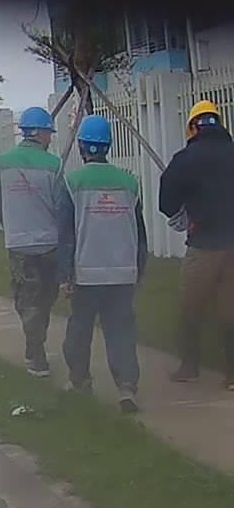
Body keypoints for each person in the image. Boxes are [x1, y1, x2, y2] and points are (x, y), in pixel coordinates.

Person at [56, 115, 147, 414]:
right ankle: (127, 387)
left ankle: (80, 381)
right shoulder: (130, 183)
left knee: (79, 331)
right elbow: (140, 233)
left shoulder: (72, 183)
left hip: (86, 274)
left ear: (81, 146)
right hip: (123, 272)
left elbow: (66, 235)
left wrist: (65, 275)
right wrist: (139, 269)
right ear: (108, 146)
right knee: (121, 331)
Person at [158, 100, 234, 388]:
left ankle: (189, 367)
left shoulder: (186, 158)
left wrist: (184, 212)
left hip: (203, 245)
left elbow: (166, 201)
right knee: (230, 309)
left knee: (190, 307)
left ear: (193, 126)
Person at [0, 106, 64, 377]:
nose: (50, 138)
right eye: (49, 133)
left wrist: (11, 223)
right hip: (49, 243)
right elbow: (61, 206)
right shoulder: (54, 165)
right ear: (40, 133)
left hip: (19, 243)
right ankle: (36, 349)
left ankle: (35, 347)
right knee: (46, 297)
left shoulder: (3, 162)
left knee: (27, 299)